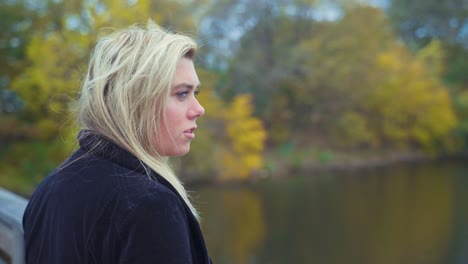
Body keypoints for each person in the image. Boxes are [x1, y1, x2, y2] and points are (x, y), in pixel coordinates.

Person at [22, 20, 212, 263]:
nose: (199, 109)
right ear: (135, 99)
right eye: (181, 94)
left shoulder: (50, 187)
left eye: (195, 93)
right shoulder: (150, 206)